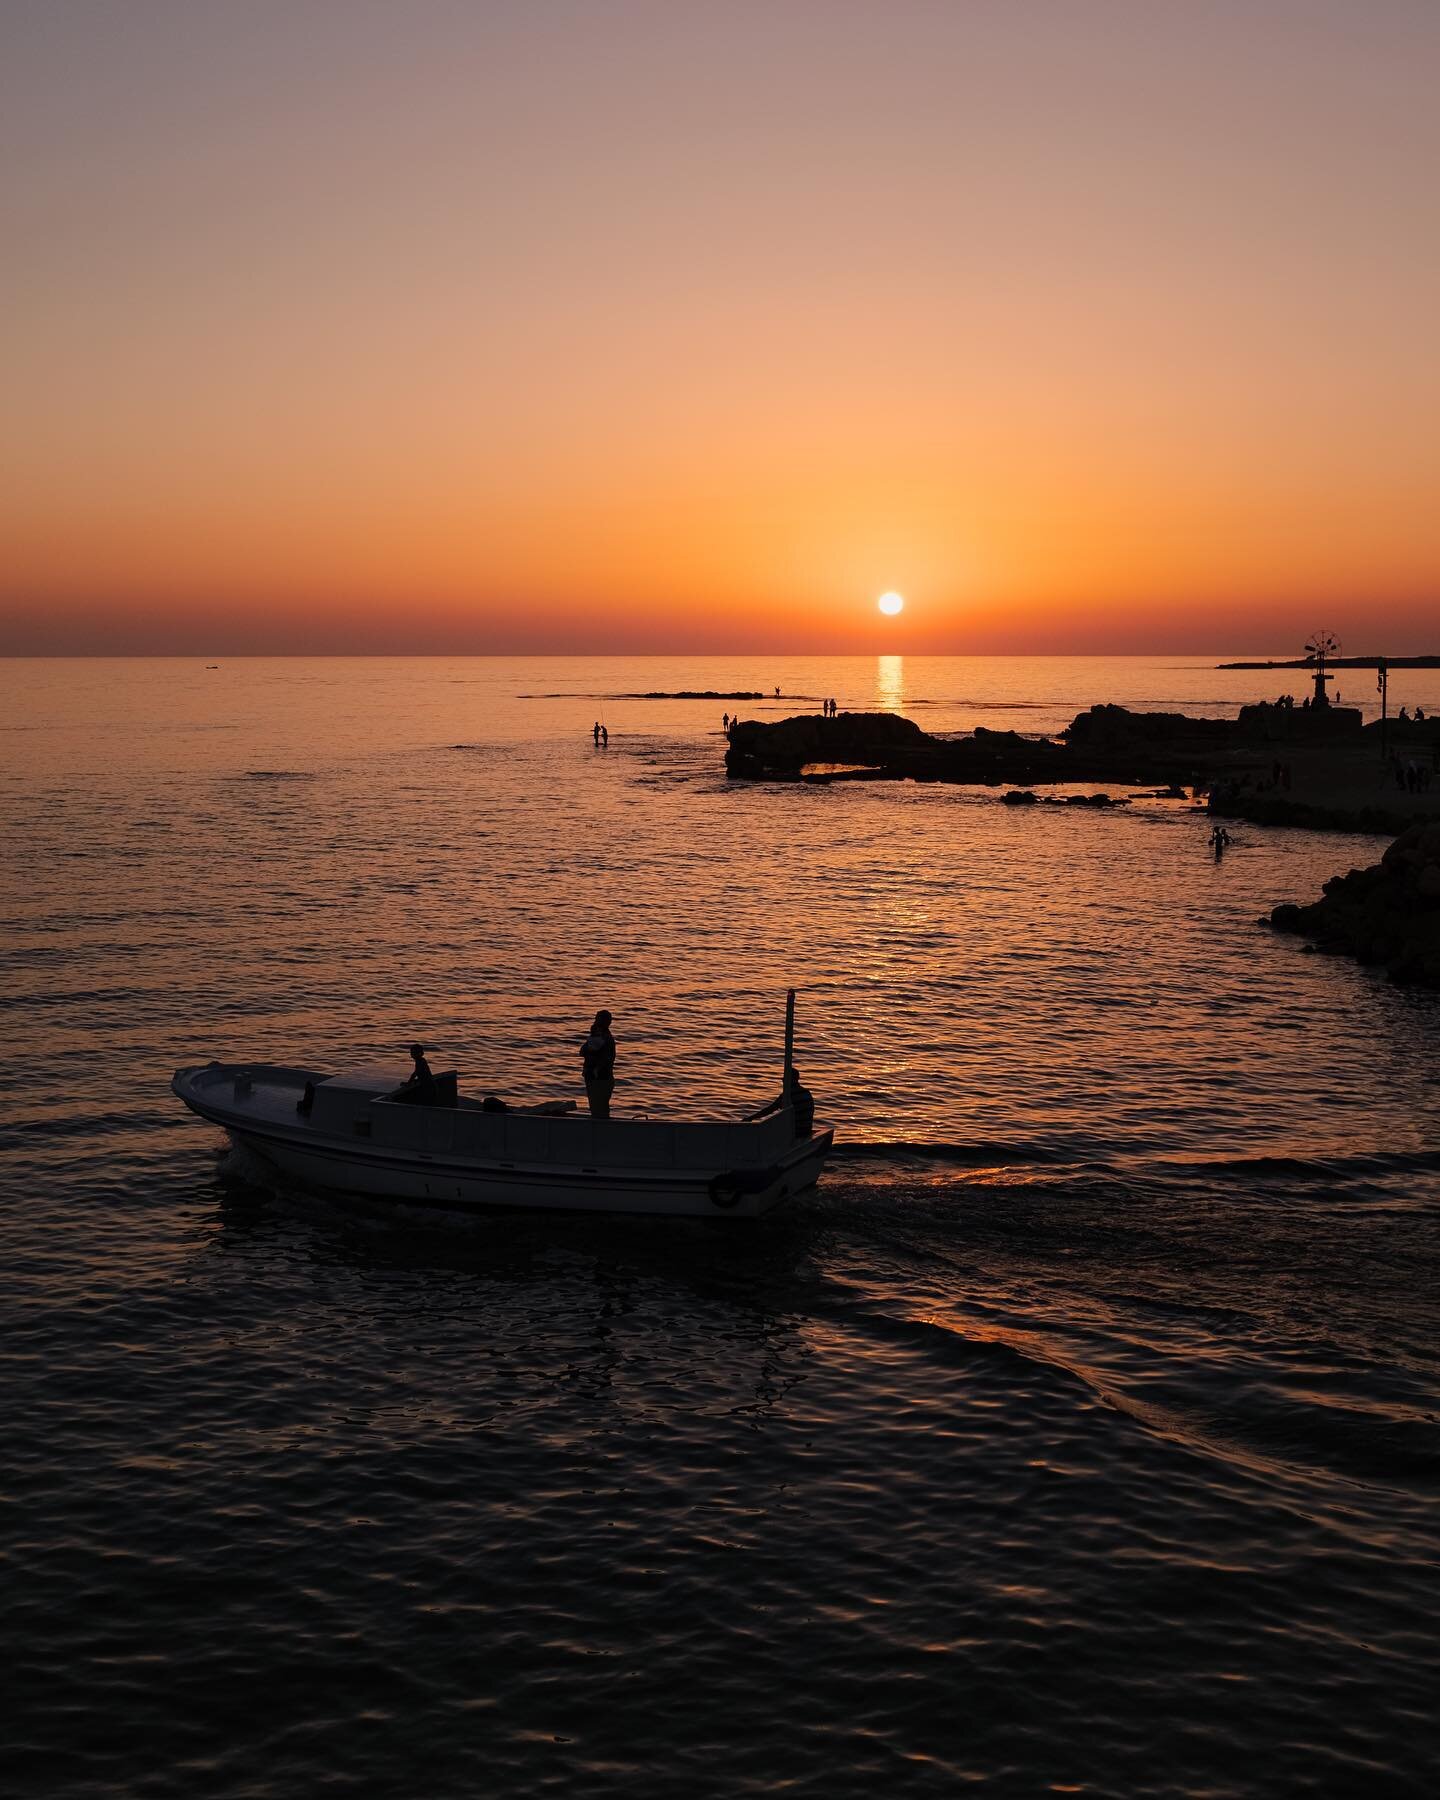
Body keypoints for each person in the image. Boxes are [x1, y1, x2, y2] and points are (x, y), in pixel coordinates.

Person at [580, 1009, 616, 1117]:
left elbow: (604, 1059)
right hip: (596, 1078)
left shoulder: (605, 1038)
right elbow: (582, 1051)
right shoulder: (597, 1036)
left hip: (600, 1079)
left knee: (599, 1110)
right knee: (597, 1109)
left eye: (597, 1019)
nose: (595, 1021)